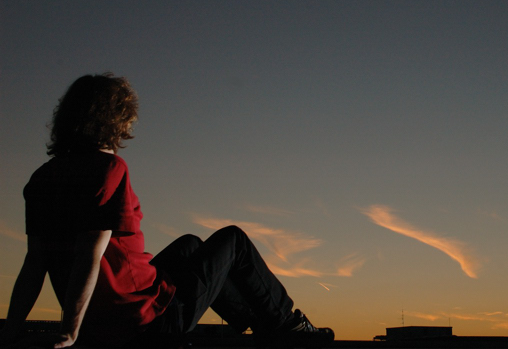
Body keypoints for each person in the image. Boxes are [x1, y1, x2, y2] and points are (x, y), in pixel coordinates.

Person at [0, 74, 334, 348]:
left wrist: (11, 331)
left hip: (106, 317)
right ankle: (291, 327)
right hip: (146, 323)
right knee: (234, 240)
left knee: (190, 244)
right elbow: (90, 252)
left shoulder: (42, 178)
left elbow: (35, 263)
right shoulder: (108, 169)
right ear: (114, 120)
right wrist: (69, 332)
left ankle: (255, 321)